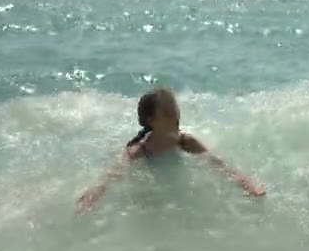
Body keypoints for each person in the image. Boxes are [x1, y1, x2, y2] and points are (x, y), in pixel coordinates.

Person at [76, 87, 265, 214]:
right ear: (151, 121)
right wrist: (94, 194)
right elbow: (113, 175)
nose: (175, 117)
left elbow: (220, 166)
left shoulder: (185, 142)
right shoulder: (138, 151)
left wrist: (248, 185)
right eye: (167, 113)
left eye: (175, 110)